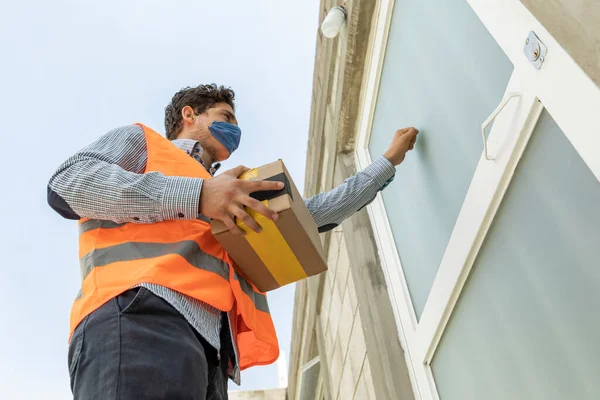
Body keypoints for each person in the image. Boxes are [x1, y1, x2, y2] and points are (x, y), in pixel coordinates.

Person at [48, 84, 418, 400]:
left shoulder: (231, 194)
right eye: (226, 117)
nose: (235, 130)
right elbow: (69, 185)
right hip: (136, 315)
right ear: (189, 115)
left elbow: (311, 215)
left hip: (210, 351)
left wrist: (385, 164)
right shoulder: (144, 143)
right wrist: (198, 195)